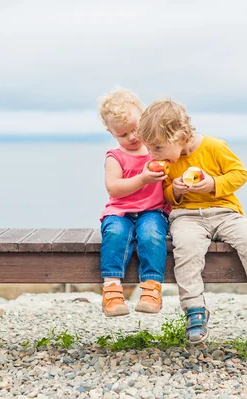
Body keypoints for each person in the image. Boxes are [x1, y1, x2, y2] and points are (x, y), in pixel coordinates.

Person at [137, 99, 247, 343]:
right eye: (150, 148)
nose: (152, 154)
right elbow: (165, 194)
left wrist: (213, 184)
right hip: (187, 216)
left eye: (158, 148)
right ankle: (195, 309)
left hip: (224, 210)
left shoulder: (214, 146)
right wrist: (176, 190)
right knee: (186, 248)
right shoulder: (167, 164)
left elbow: (240, 174)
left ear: (180, 136)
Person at [97, 88, 170, 317]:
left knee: (151, 233)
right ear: (111, 133)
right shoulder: (115, 156)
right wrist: (142, 179)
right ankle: (111, 288)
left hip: (153, 209)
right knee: (115, 233)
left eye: (135, 129)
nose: (132, 137)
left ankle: (151, 288)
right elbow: (114, 188)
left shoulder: (156, 151)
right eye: (123, 134)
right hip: (121, 211)